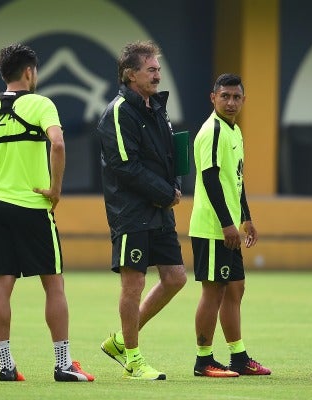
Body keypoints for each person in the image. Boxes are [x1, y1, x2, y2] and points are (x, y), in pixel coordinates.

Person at [0, 43, 94, 383]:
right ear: (30, 72)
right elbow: (57, 144)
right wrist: (55, 189)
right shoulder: (41, 104)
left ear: (3, 74)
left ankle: (6, 366)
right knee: (53, 284)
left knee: (2, 285)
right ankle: (63, 363)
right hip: (34, 208)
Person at [96, 40, 187, 381]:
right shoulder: (118, 112)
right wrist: (166, 192)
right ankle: (133, 360)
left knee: (176, 278)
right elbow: (124, 166)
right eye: (151, 70)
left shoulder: (156, 108)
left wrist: (173, 185)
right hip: (131, 212)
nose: (157, 76)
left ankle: (121, 340)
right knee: (132, 285)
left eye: (158, 70)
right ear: (130, 74)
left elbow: (168, 153)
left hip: (160, 209)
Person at [189, 73, 271, 378]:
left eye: (236, 97)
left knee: (235, 289)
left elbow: (235, 180)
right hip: (212, 228)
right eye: (225, 96)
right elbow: (210, 179)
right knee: (213, 292)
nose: (231, 102)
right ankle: (203, 360)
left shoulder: (234, 131)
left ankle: (239, 357)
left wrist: (246, 217)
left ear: (244, 100)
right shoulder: (212, 131)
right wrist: (226, 224)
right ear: (213, 98)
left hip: (230, 227)